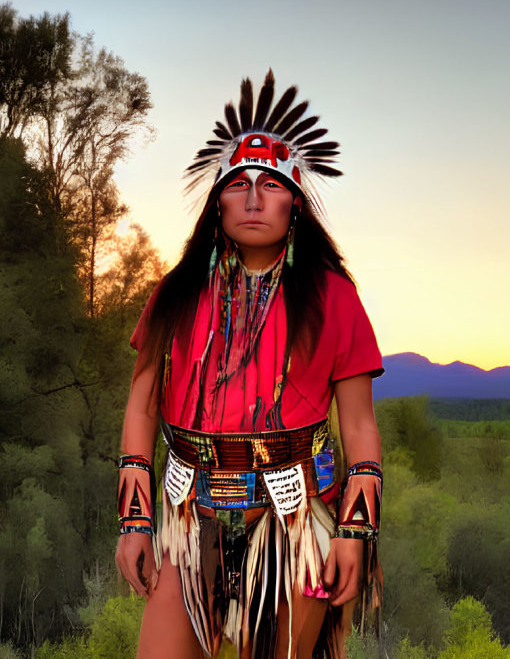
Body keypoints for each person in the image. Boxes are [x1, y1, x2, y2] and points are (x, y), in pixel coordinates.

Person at [115, 71, 384, 659]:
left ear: (295, 202)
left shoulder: (333, 297)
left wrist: (354, 533)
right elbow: (140, 407)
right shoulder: (175, 293)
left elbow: (360, 427)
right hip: (189, 519)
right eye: (239, 184)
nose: (255, 197)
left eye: (271, 183)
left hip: (295, 524)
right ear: (218, 203)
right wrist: (135, 524)